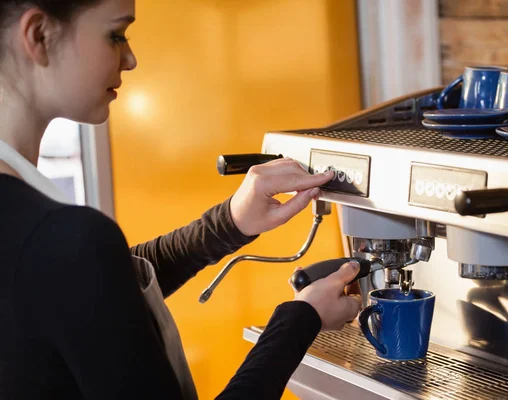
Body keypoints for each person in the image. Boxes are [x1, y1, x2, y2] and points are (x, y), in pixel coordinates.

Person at [0, 1, 362, 399]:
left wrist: (227, 225)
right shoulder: (61, 236)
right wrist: (301, 318)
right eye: (117, 34)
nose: (131, 58)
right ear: (38, 35)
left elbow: (89, 292)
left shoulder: (40, 233)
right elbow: (82, 270)